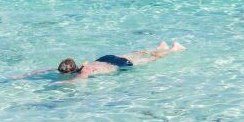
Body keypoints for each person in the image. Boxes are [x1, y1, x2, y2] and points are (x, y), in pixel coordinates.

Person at [15, 41, 186, 82]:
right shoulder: (79, 66)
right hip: (107, 58)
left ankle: (172, 49)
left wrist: (56, 85)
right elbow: (44, 70)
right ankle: (160, 46)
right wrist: (25, 75)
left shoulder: (84, 71)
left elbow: (77, 82)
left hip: (118, 64)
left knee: (150, 61)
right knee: (136, 53)